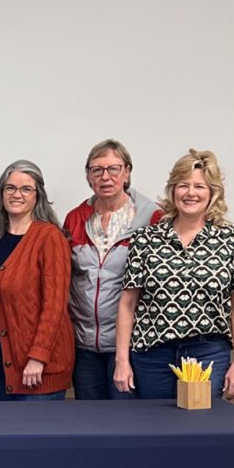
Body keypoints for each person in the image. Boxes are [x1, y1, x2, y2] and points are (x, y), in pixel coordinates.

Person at [113, 149, 234, 403]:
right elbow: (128, 302)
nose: (190, 193)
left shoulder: (231, 239)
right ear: (172, 190)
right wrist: (122, 360)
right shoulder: (146, 239)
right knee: (153, 429)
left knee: (201, 430)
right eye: (183, 185)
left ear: (212, 193)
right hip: (151, 353)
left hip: (207, 351)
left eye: (199, 186)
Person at [63, 139, 162, 400]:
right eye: (97, 170)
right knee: (89, 423)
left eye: (113, 169)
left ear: (127, 172)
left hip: (131, 347)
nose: (105, 177)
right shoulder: (75, 218)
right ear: (88, 175)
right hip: (84, 345)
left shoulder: (153, 218)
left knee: (126, 423)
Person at [0, 160, 75, 401]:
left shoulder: (49, 237)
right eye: (10, 188)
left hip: (37, 368)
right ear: (1, 194)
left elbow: (55, 305)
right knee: (4, 437)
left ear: (38, 195)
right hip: (0, 362)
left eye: (26, 189)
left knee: (38, 438)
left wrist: (38, 356)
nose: (16, 194)